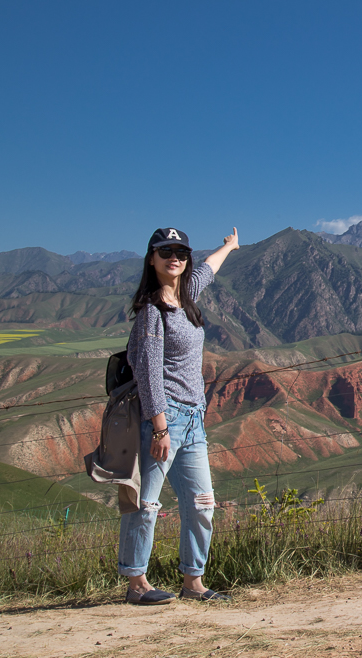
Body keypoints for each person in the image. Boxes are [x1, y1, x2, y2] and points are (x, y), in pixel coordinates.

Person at [119, 226, 240, 604]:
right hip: (164, 418)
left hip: (193, 419)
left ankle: (193, 581)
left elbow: (207, 269)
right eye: (166, 251)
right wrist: (158, 428)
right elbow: (149, 372)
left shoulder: (186, 297)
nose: (175, 257)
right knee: (147, 503)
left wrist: (230, 247)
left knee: (202, 502)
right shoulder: (151, 313)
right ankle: (136, 583)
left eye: (181, 252)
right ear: (152, 259)